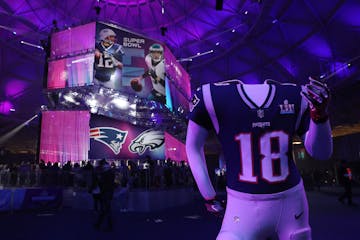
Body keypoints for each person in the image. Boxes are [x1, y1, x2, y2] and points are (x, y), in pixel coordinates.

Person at [186, 78, 333, 239]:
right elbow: (192, 147)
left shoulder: (212, 95)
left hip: (288, 201)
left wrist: (320, 117)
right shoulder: (294, 94)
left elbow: (321, 152)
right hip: (247, 204)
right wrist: (208, 195)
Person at [93, 159, 116, 231]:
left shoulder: (104, 175)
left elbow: (102, 183)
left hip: (105, 193)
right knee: (106, 209)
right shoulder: (111, 174)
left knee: (105, 210)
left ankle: (102, 224)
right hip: (108, 192)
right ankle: (103, 224)